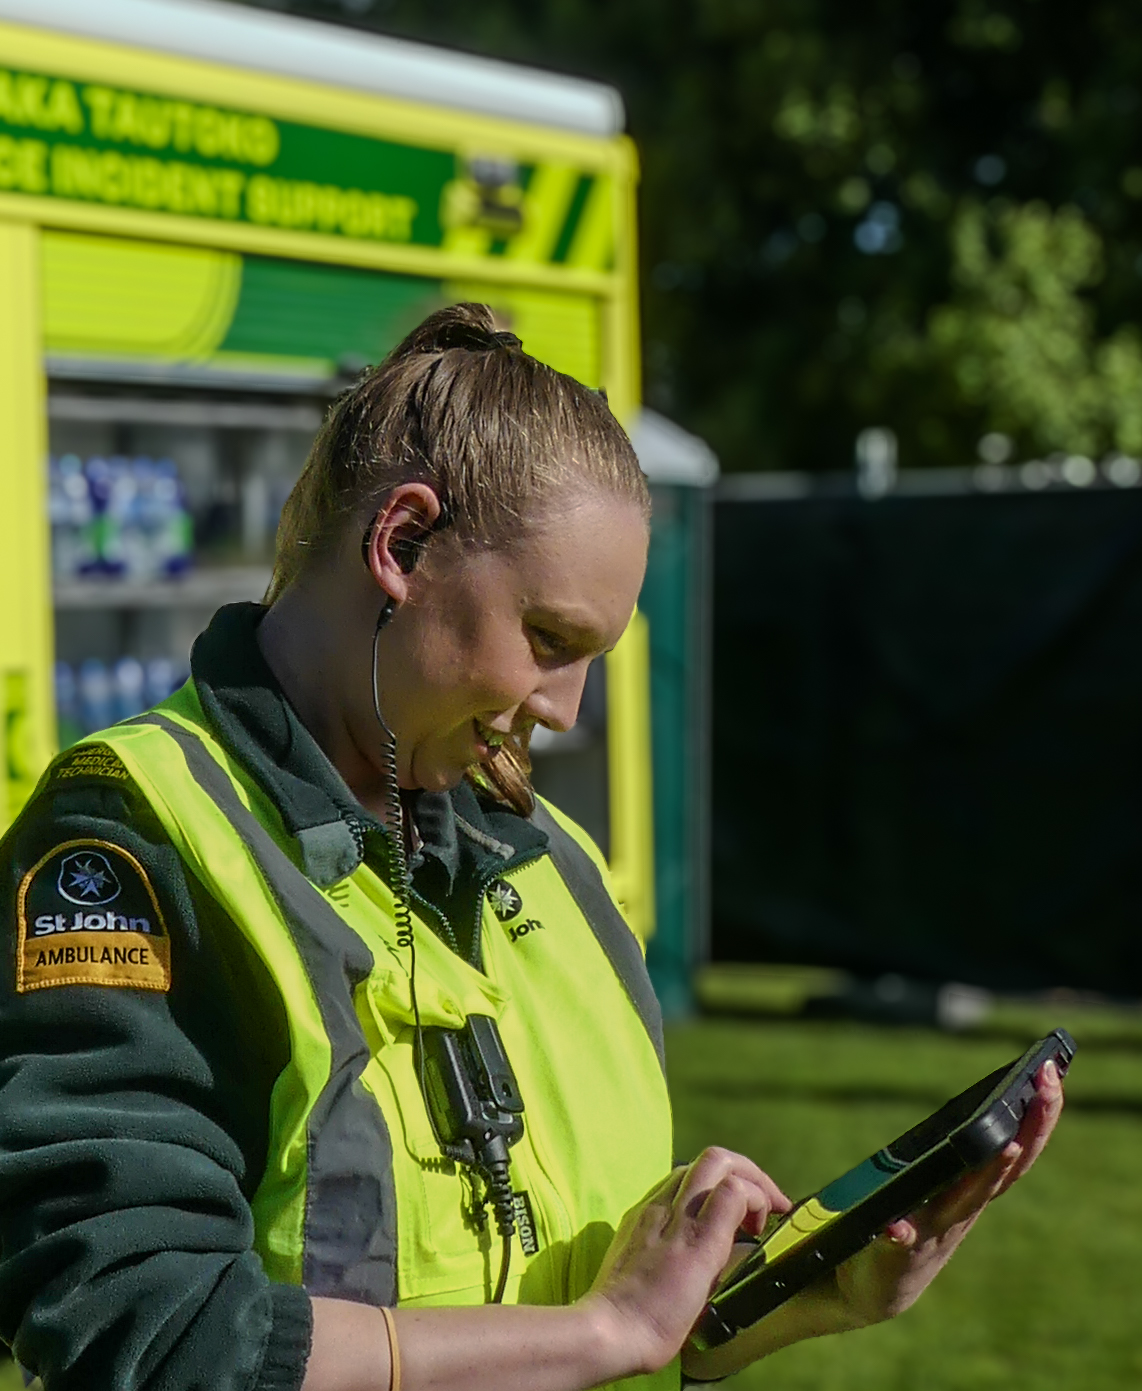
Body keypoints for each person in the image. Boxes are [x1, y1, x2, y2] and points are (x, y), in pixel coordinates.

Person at [0, 304, 1063, 1391]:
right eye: (550, 640)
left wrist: (776, 1298)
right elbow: (139, 1325)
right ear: (399, 543)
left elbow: (574, 1297)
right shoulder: (134, 833)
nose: (563, 707)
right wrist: (601, 1332)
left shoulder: (554, 861)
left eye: (595, 655)